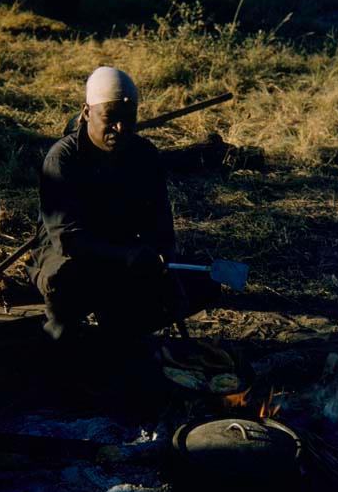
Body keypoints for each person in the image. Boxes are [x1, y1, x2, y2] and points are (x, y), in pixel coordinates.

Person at [26, 66, 218, 349]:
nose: (121, 128)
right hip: (72, 257)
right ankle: (60, 338)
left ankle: (117, 328)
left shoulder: (145, 156)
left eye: (129, 119)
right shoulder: (62, 159)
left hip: (125, 255)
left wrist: (170, 273)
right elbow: (69, 240)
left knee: (203, 285)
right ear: (87, 112)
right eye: (110, 118)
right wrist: (126, 255)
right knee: (65, 287)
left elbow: (161, 227)